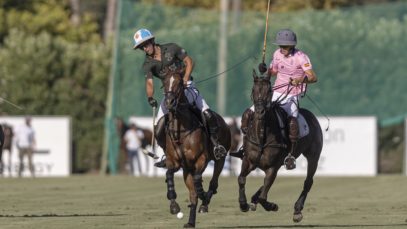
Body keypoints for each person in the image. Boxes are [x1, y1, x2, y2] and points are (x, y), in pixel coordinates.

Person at [132, 28, 227, 168]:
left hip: (186, 86)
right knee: (158, 127)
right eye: (142, 47)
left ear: (152, 41)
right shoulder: (147, 64)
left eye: (146, 44)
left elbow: (189, 62)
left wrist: (186, 78)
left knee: (207, 113)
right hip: (169, 93)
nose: (145, 48)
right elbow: (149, 83)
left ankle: (216, 145)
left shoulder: (171, 48)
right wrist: (150, 97)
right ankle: (165, 154)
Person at [231, 29, 317, 169]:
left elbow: (313, 77)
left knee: (293, 123)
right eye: (280, 45)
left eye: (284, 46)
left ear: (292, 45)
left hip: (292, 94)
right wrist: (265, 70)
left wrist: (300, 80)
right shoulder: (277, 54)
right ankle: (244, 149)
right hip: (276, 92)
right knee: (249, 114)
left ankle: (290, 155)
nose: (281, 48)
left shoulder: (301, 57)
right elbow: (273, 71)